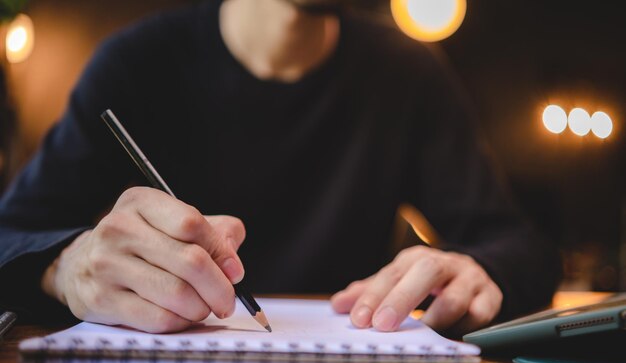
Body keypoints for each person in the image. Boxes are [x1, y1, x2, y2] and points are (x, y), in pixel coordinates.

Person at [0, 0, 560, 334]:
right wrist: (66, 265)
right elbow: (10, 232)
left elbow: (520, 247)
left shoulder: (410, 76)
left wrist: (477, 271)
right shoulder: (135, 66)